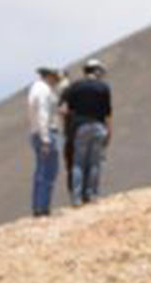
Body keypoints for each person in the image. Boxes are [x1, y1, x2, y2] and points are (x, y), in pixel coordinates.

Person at [59, 58, 113, 205]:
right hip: (98, 127)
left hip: (80, 128)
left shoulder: (75, 87)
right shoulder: (103, 88)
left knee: (78, 163)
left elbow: (64, 109)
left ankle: (76, 198)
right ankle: (91, 195)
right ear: (97, 71)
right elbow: (108, 114)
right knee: (94, 163)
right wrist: (109, 132)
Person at [25, 67, 63, 217]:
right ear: (49, 76)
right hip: (46, 133)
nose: (56, 81)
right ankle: (42, 208)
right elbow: (43, 114)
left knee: (41, 171)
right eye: (55, 77)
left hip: (37, 132)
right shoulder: (44, 90)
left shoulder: (35, 89)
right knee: (48, 172)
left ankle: (39, 206)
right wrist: (46, 139)